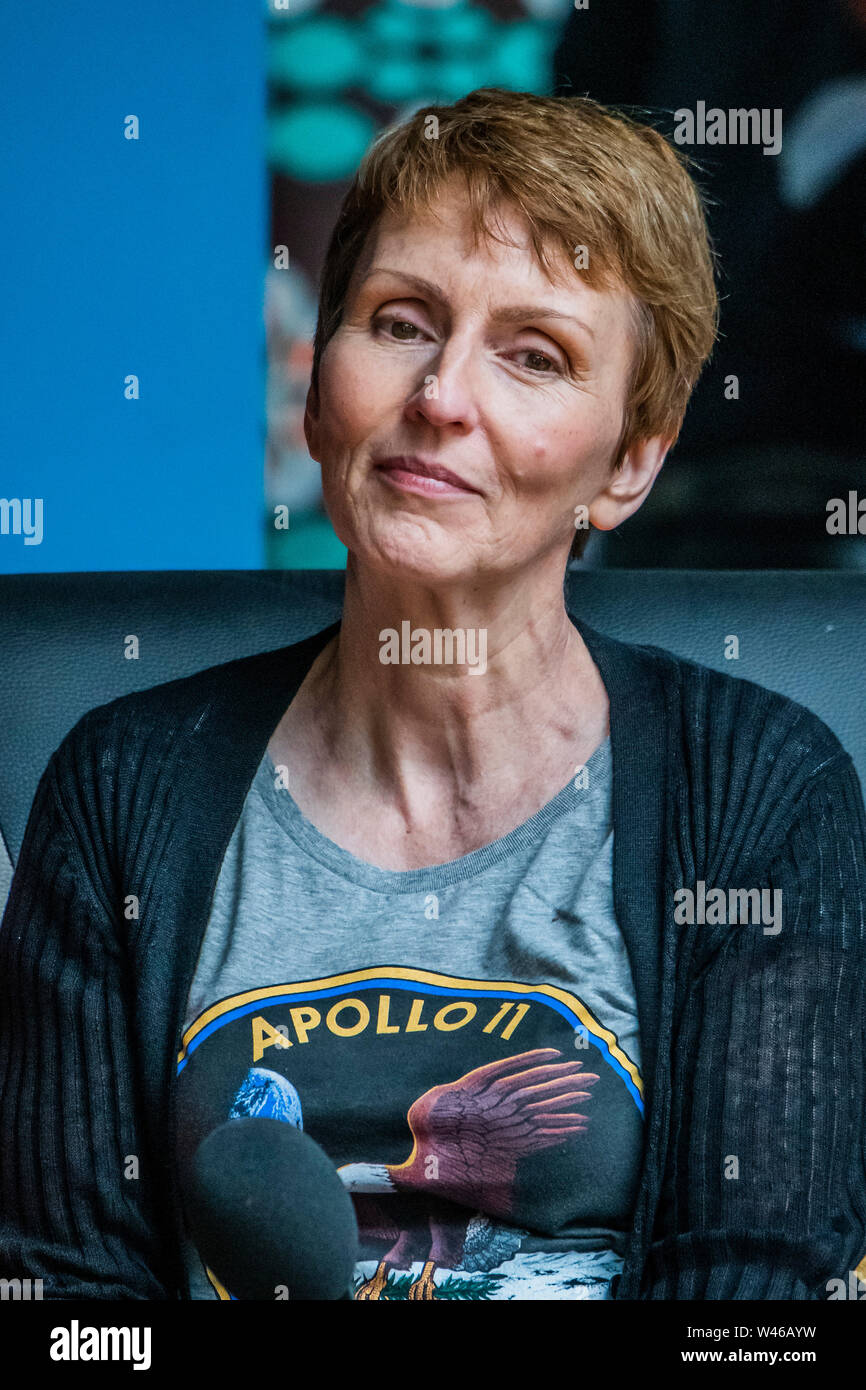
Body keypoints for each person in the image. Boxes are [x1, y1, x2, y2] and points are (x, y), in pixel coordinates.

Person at [1, 88, 865, 1302]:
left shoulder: (759, 790)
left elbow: (751, 1304)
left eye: (533, 354)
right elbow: (67, 1304)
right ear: (316, 393)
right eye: (401, 324)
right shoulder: (121, 785)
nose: (441, 396)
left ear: (627, 462)